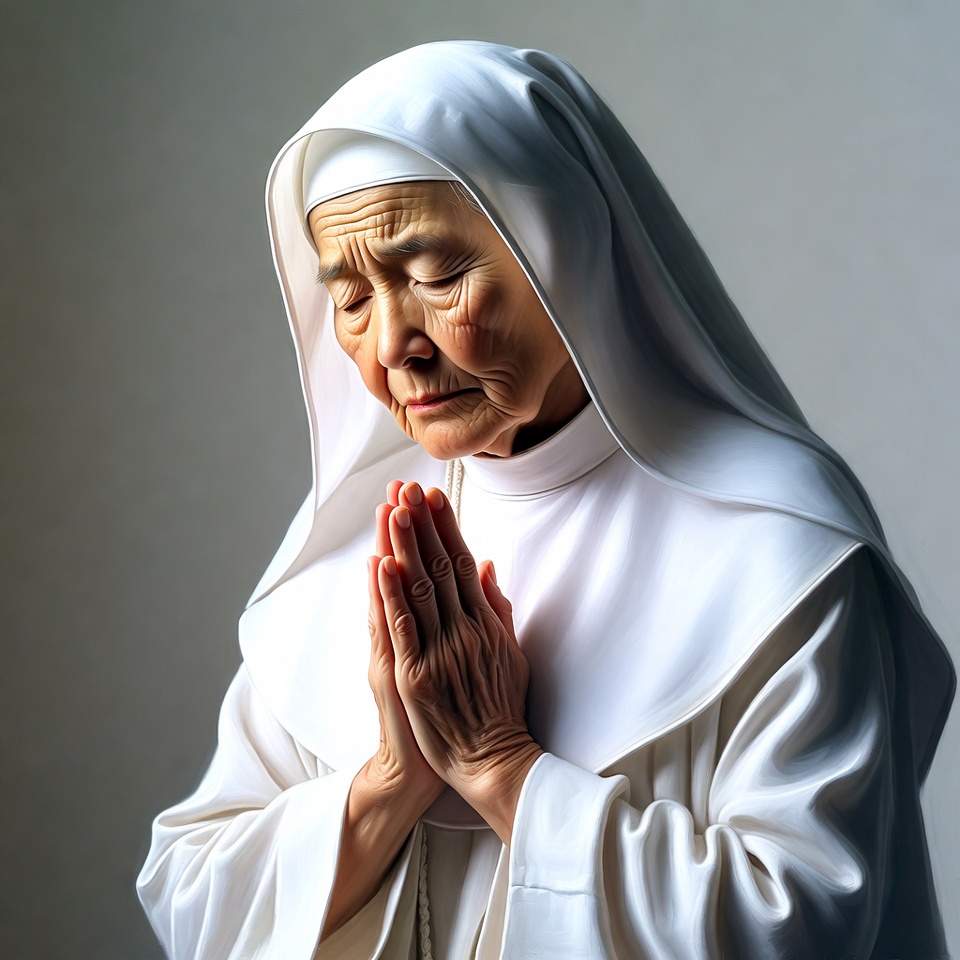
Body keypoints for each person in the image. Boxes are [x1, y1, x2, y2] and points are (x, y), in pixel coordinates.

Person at [137, 41, 954, 959]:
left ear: (565, 252)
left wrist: (501, 767)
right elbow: (190, 889)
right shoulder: (359, 538)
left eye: (435, 276)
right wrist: (389, 784)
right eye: (354, 297)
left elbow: (805, 922)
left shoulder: (776, 545)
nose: (394, 344)